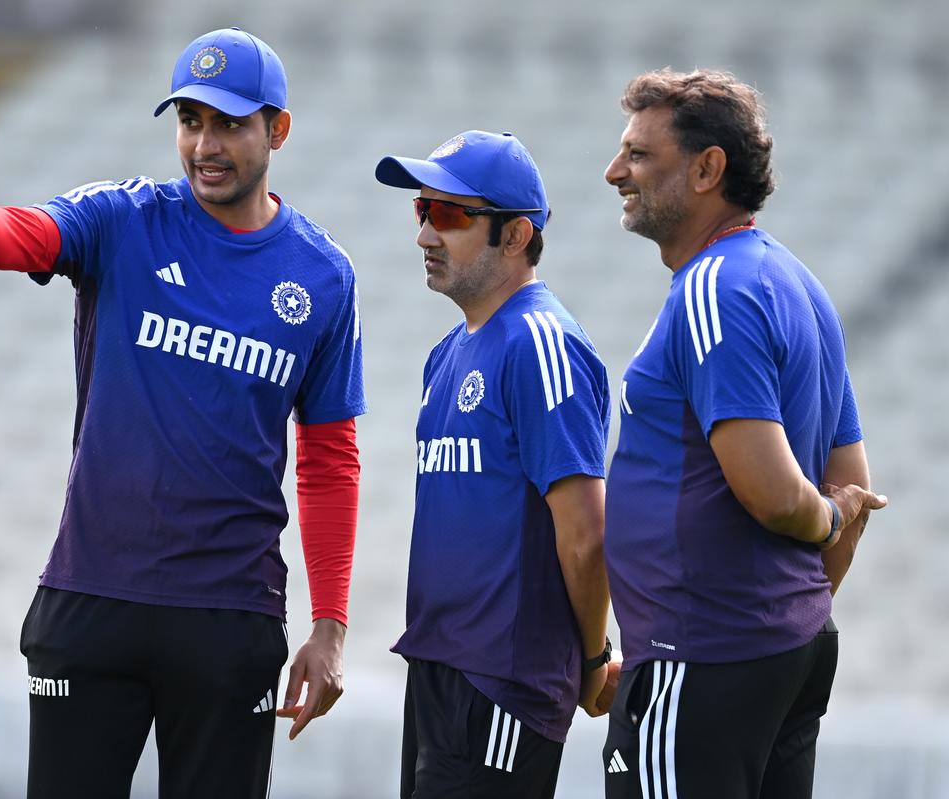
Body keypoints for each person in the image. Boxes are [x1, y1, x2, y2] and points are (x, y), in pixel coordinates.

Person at [0, 27, 366, 799]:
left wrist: (329, 625)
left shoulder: (323, 276)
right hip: (94, 600)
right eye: (190, 120)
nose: (205, 144)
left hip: (229, 617)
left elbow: (329, 462)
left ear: (279, 130)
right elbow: (26, 235)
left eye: (230, 124)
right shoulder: (123, 218)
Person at [600, 68, 888, 799]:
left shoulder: (714, 287)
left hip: (701, 651)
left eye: (639, 154)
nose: (615, 172)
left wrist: (824, 521)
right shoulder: (801, 286)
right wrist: (784, 617)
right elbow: (853, 479)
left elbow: (783, 495)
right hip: (778, 648)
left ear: (707, 169)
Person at [375, 131, 614, 798]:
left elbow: (586, 533)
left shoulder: (542, 344)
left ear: (515, 235)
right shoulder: (446, 352)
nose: (425, 234)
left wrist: (595, 657)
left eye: (449, 214)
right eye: (422, 209)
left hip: (502, 683)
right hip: (439, 671)